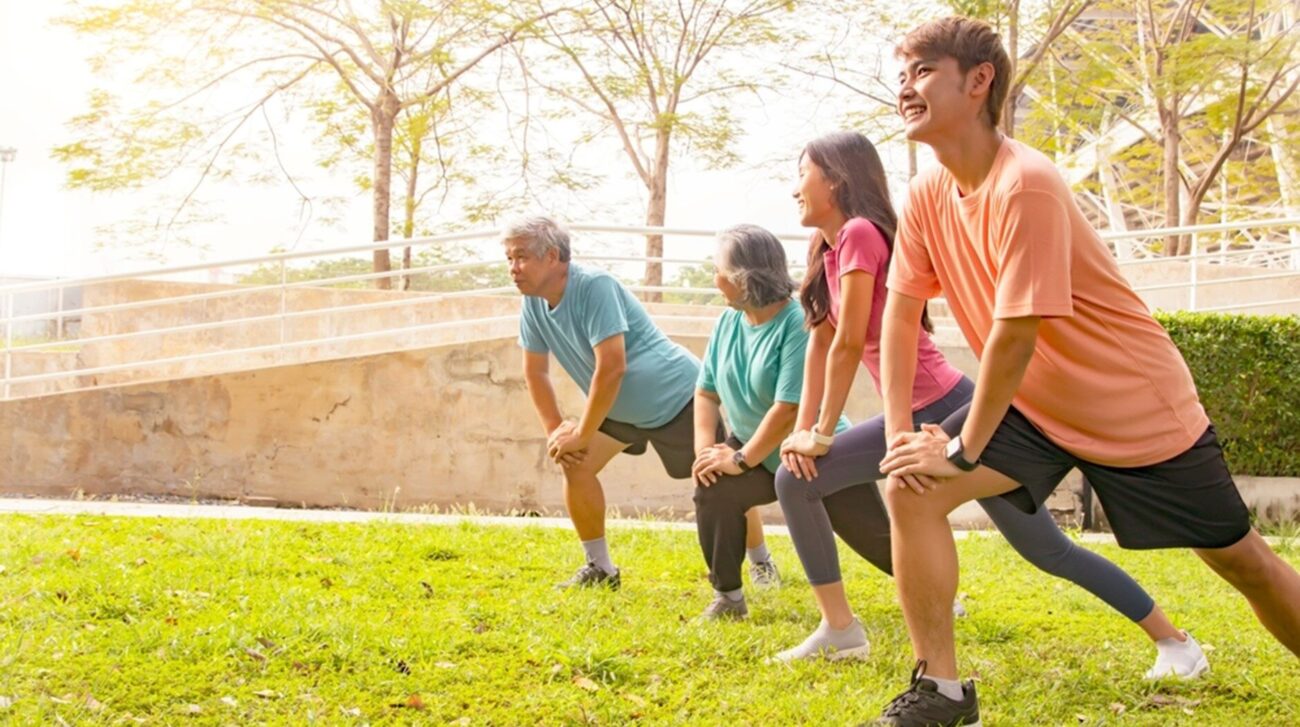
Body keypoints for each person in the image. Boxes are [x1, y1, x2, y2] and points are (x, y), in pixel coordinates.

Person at [874, 17, 1300, 726]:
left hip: (1134, 407)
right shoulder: (925, 195)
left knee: (1241, 561)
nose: (904, 89)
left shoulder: (1027, 184)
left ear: (978, 81)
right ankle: (941, 693)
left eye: (920, 71)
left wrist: (962, 448)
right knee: (909, 485)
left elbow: (1015, 334)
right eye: (901, 75)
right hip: (1036, 407)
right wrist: (899, 435)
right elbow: (900, 314)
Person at [771, 131, 1203, 678]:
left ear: (835, 177)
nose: (795, 188)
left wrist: (823, 433)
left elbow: (852, 340)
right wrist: (804, 430)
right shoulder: (829, 249)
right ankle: (840, 629)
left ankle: (1175, 640)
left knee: (1046, 550)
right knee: (797, 478)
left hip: (951, 404)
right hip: (921, 411)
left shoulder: (860, 234)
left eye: (802, 171)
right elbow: (822, 340)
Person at [505, 215, 778, 590]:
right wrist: (559, 436)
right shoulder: (533, 305)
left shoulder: (593, 286)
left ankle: (762, 563)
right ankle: (600, 568)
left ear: (552, 256)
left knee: (721, 479)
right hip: (616, 409)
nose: (512, 268)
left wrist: (581, 432)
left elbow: (612, 366)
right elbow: (535, 372)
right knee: (576, 465)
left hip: (677, 397)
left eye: (520, 257)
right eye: (509, 259)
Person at [690, 224, 851, 619]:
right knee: (713, 488)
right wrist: (706, 452)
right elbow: (706, 391)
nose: (715, 279)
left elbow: (788, 409)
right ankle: (728, 598)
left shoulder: (798, 321)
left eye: (719, 270)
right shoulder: (729, 321)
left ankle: (936, 592)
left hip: (813, 454)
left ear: (744, 278)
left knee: (874, 537)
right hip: (756, 450)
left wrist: (740, 459)